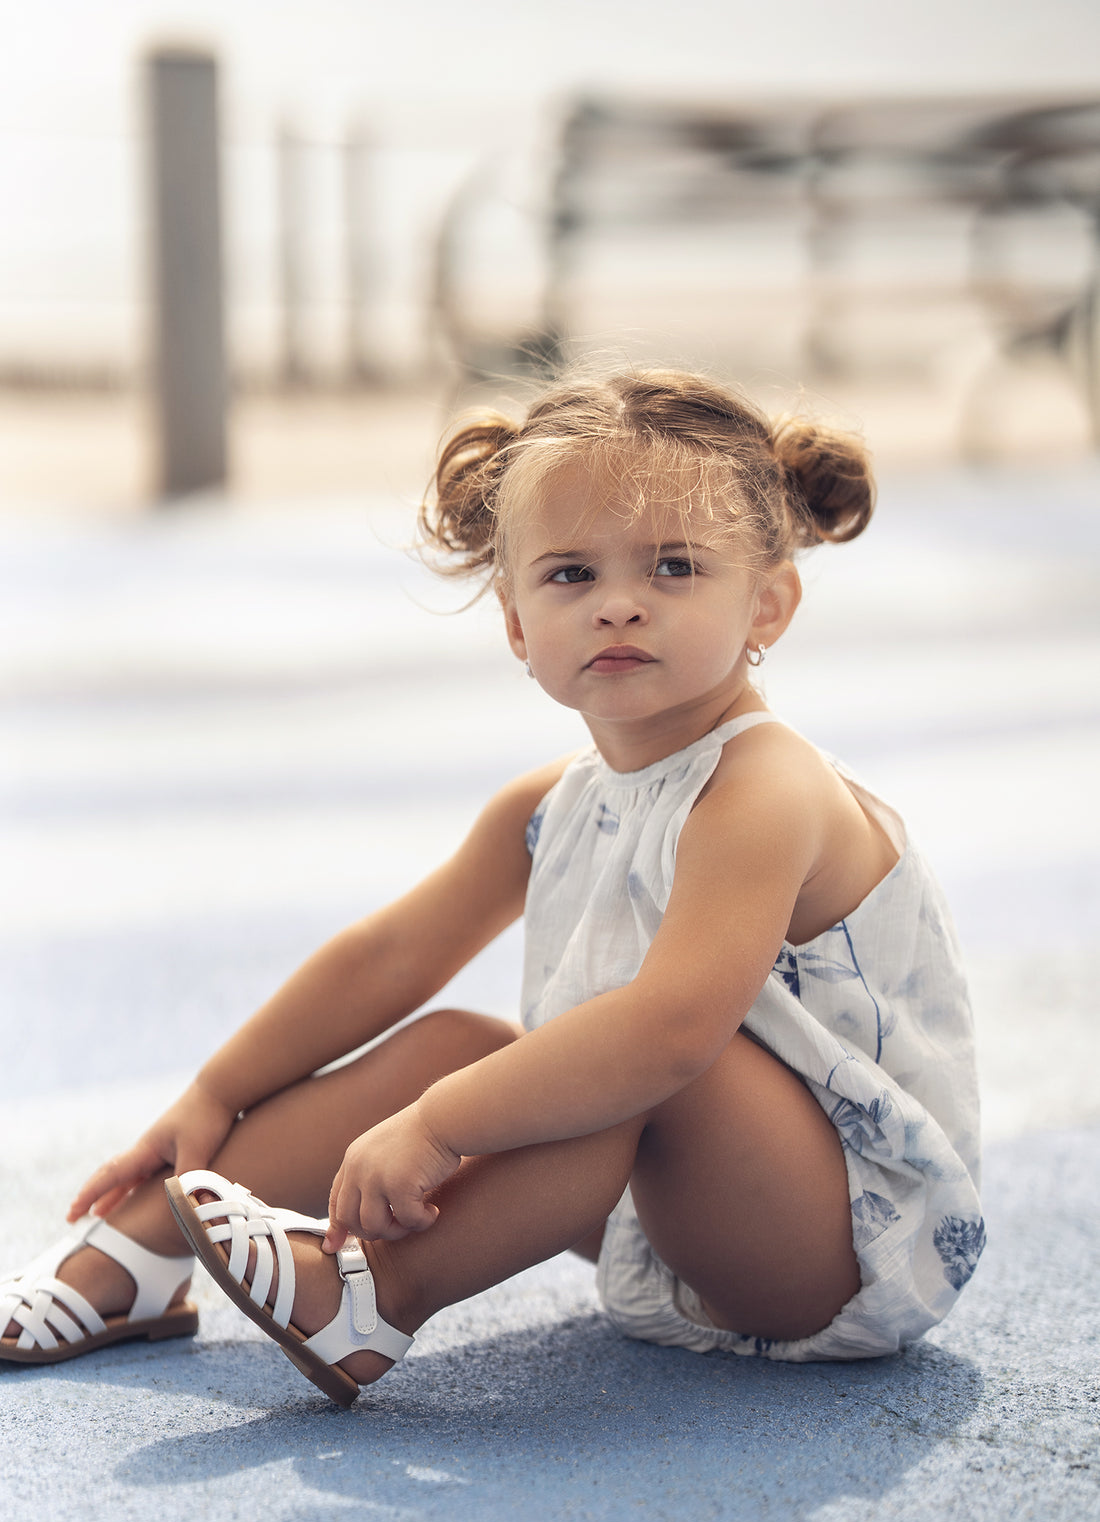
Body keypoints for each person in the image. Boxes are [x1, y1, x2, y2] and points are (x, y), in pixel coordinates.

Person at [1, 368, 985, 1407]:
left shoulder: (762, 788)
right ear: (515, 622)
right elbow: (390, 956)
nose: (617, 603)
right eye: (569, 576)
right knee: (451, 1047)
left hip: (835, 1251)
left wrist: (437, 1130)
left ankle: (375, 1296)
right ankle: (137, 1256)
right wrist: (214, 1092)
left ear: (768, 605)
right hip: (663, 1217)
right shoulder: (553, 804)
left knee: (620, 1052)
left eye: (673, 567)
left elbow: (670, 1035)